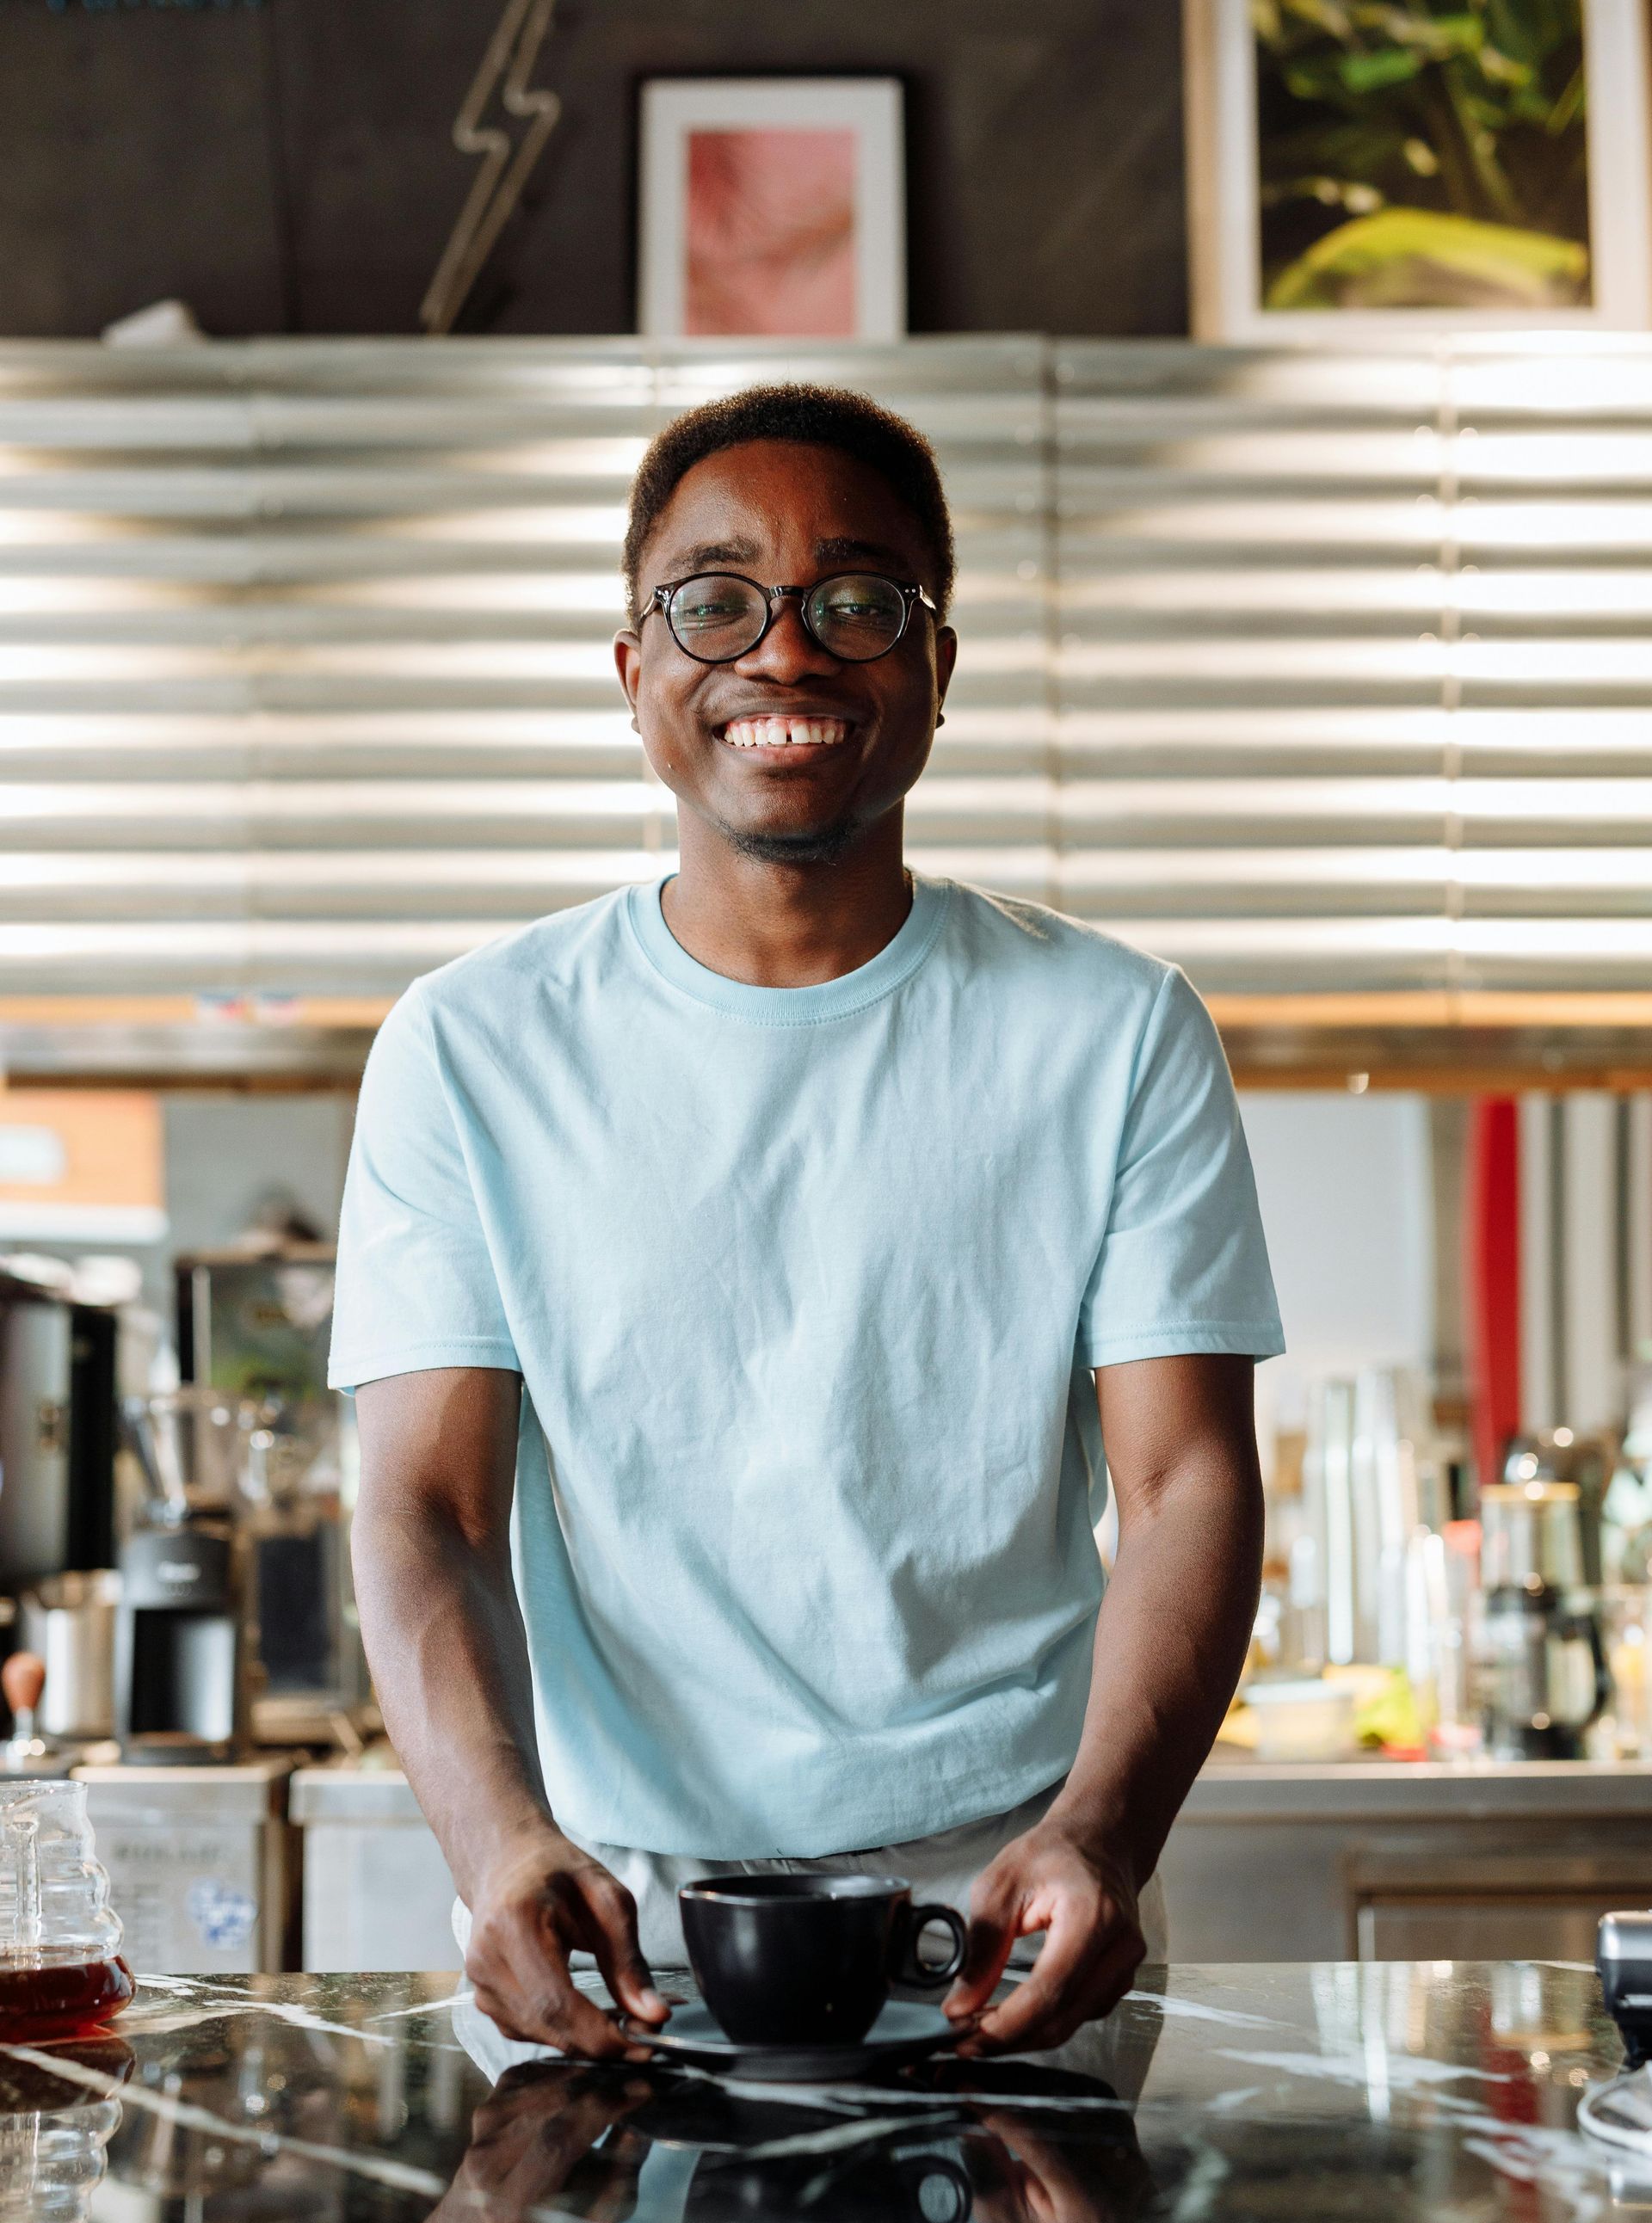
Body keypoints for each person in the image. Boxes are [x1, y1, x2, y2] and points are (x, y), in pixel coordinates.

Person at [330, 383, 1282, 2067]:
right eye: (714, 600)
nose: (783, 652)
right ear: (636, 670)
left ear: (934, 666)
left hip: (1005, 1918)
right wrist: (494, 1844)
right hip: (605, 1923)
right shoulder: (470, 1045)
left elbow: (1185, 1480)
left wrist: (1106, 1836)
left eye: (857, 600)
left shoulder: (1119, 1028)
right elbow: (427, 1503)